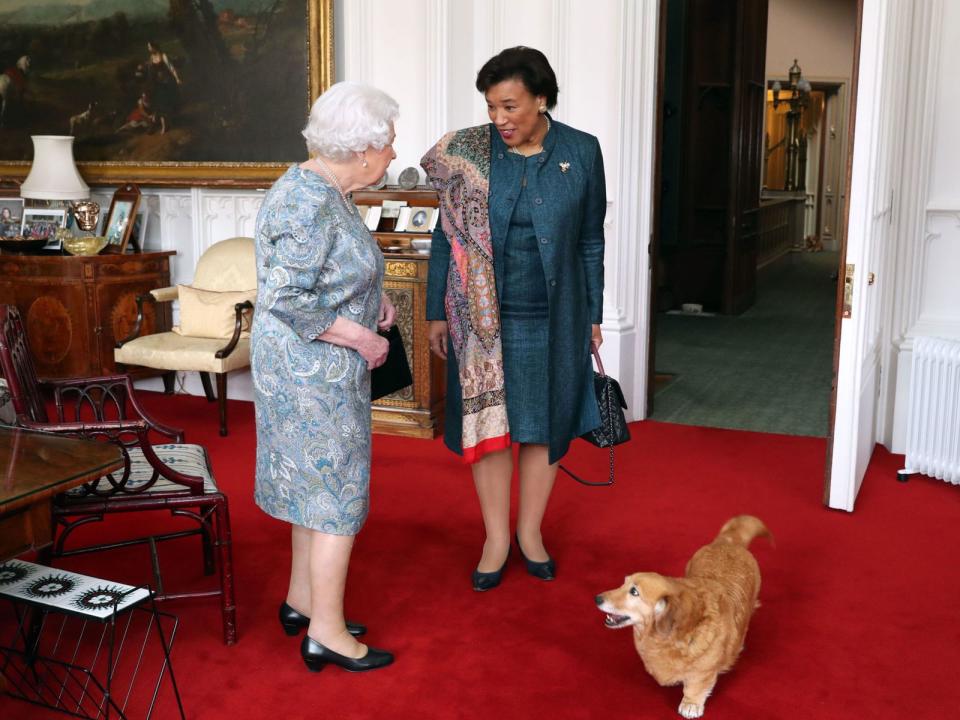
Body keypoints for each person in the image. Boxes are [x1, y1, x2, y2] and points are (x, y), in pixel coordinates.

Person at [421, 46, 606, 591]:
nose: (499, 119)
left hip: (555, 315)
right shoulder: (470, 154)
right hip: (480, 321)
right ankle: (495, 538)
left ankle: (530, 534)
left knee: (544, 424)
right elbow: (444, 236)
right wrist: (436, 312)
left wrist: (592, 313)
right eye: (491, 107)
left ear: (541, 99)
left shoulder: (582, 151)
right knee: (491, 429)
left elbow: (591, 240)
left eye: (510, 106)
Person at [251, 81, 399, 673]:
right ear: (362, 149)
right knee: (335, 494)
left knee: (313, 488)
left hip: (310, 364)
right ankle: (328, 634)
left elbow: (331, 270)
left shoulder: (323, 190)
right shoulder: (308, 199)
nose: (393, 154)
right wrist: (360, 335)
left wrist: (375, 301)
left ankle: (303, 603)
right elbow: (284, 294)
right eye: (388, 144)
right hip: (309, 371)